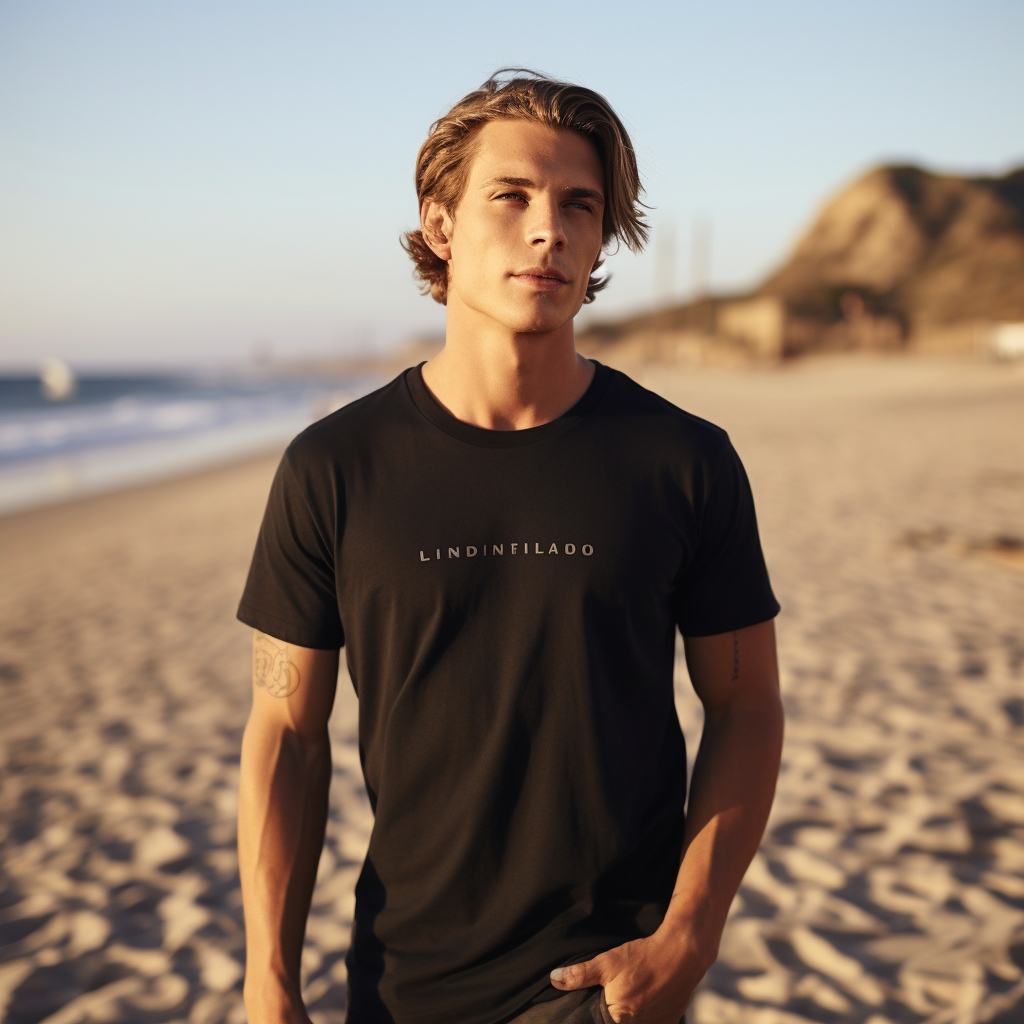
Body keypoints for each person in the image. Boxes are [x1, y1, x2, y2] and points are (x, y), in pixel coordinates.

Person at [236, 69, 783, 1024]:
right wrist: (269, 981)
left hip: (608, 984)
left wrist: (690, 932)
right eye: (514, 197)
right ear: (440, 226)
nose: (551, 230)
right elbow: (287, 733)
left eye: (580, 205)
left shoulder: (683, 462)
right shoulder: (334, 468)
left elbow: (747, 705)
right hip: (401, 985)